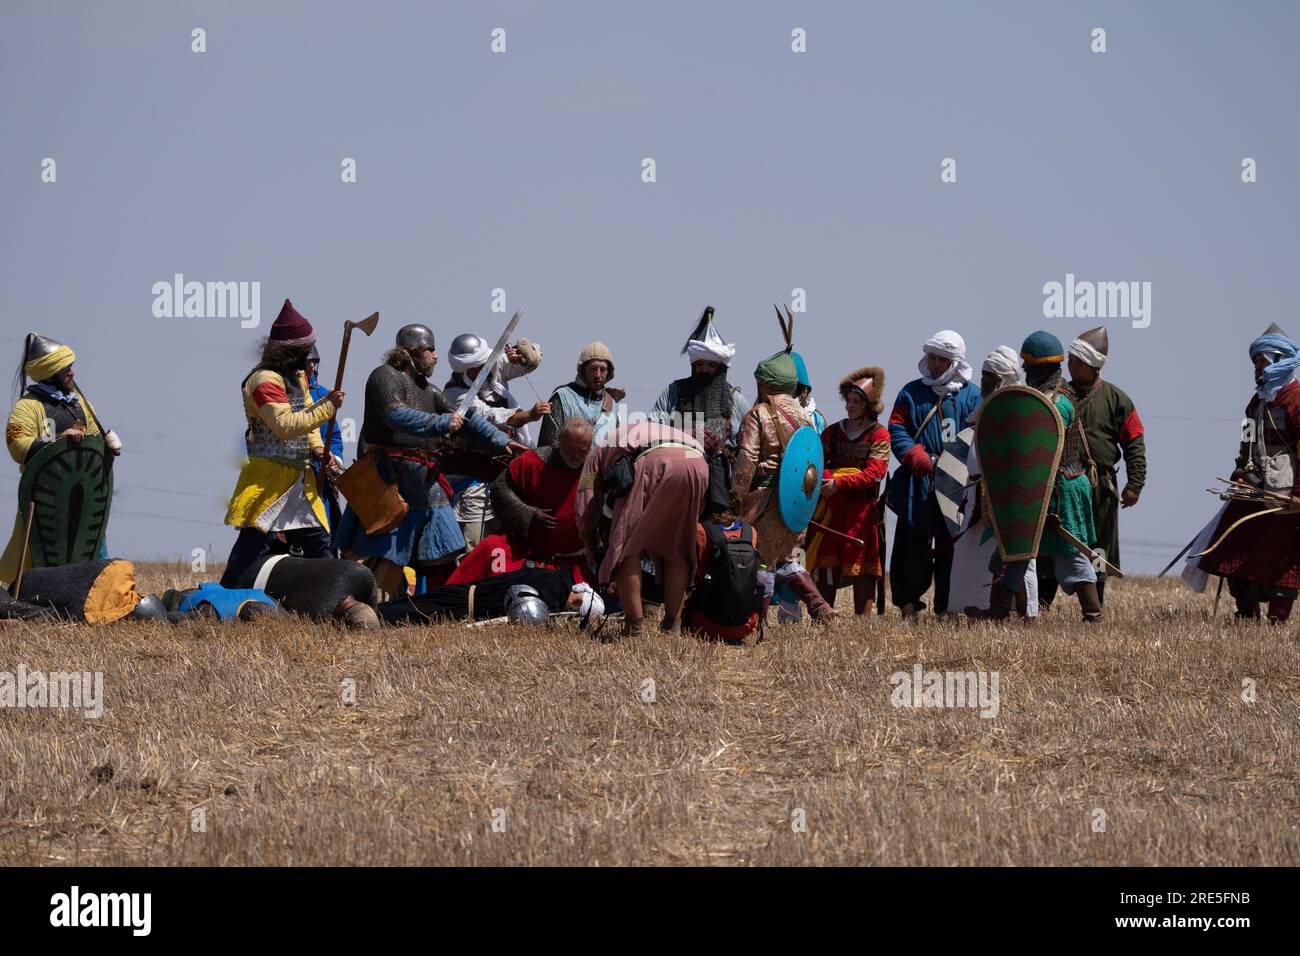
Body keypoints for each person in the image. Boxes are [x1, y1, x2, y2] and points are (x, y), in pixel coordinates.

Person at [335, 324, 524, 599]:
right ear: (412, 352)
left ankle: (441, 606)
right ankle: (371, 607)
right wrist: (440, 422)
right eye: (431, 350)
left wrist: (502, 441)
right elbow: (396, 415)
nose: (437, 356)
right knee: (384, 555)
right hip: (389, 479)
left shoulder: (430, 390)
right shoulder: (384, 376)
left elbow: (467, 424)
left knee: (446, 551)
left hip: (425, 481)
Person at [221, 300, 342, 588]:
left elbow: (307, 416)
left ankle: (331, 596)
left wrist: (317, 448)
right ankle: (222, 600)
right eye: (304, 350)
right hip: (270, 482)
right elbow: (286, 426)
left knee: (320, 547)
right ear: (289, 351)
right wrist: (329, 406)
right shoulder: (263, 380)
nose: (309, 357)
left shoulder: (297, 377)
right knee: (249, 553)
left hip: (300, 480)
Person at [984, 332, 1101, 622]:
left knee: (1070, 554)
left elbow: (1039, 445)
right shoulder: (1032, 400)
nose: (1024, 371)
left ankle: (1093, 614)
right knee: (1014, 549)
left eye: (1030, 366)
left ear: (1044, 368)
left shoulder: (1059, 404)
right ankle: (998, 612)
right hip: (1032, 490)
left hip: (1062, 489)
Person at [1195, 325, 1300, 622]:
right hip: (1253, 491)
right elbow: (1246, 442)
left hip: (1285, 498)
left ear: (1280, 360)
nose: (1257, 367)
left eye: (1262, 361)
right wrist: (1241, 471)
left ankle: (1277, 618)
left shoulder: (1296, 401)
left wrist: (1298, 495)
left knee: (1282, 558)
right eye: (1255, 362)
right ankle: (1245, 615)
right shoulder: (1255, 403)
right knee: (1235, 550)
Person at [1037, 326, 1146, 608]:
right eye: (1069, 360)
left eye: (1075, 361)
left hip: (1099, 487)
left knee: (1097, 549)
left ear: (1092, 365)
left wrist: (1135, 484)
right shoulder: (1058, 395)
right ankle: (1041, 603)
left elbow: (1135, 441)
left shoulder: (1117, 399)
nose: (1069, 366)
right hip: (1061, 484)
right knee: (1051, 542)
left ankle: (1094, 606)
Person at [2, 333, 121, 582]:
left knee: (94, 552)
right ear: (50, 371)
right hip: (45, 500)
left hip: (85, 501)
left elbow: (94, 440)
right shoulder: (28, 407)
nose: (72, 373)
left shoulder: (81, 405)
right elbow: (17, 444)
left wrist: (108, 442)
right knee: (35, 561)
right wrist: (57, 440)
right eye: (66, 368)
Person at [575, 420, 710, 638]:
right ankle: (672, 625)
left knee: (625, 546)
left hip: (654, 460)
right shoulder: (640, 432)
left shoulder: (594, 456)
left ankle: (634, 626)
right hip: (698, 463)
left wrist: (591, 544)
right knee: (677, 547)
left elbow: (585, 507)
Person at [732, 348, 835, 624]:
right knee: (785, 558)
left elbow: (747, 458)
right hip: (795, 503)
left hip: (763, 501)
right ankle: (821, 607)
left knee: (760, 560)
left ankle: (758, 619)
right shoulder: (805, 418)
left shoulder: (759, 413)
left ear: (764, 384)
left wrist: (735, 497)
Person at [886, 330, 981, 617]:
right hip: (918, 479)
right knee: (910, 545)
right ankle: (908, 603)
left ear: (954, 362)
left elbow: (980, 435)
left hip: (957, 485)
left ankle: (947, 606)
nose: (935, 364)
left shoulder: (973, 396)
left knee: (950, 546)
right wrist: (915, 455)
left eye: (942, 359)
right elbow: (897, 428)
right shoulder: (911, 392)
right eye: (933, 357)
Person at [948, 346, 1038, 618]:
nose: (985, 380)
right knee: (966, 551)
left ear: (1006, 378)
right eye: (984, 374)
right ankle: (964, 607)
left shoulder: (1020, 411)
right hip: (978, 494)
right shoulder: (984, 406)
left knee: (1021, 557)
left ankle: (1027, 612)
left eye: (991, 376)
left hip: (1009, 498)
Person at [447, 417, 594, 585]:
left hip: (572, 562)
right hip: (525, 553)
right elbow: (501, 488)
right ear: (559, 441)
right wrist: (528, 515)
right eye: (570, 449)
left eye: (582, 450)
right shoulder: (532, 462)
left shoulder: (595, 469)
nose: (575, 456)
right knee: (491, 549)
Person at [442, 332, 548, 550]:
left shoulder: (492, 367)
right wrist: (528, 415)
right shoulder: (455, 395)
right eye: (482, 364)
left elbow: (531, 362)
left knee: (507, 546)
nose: (488, 366)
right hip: (472, 483)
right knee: (474, 548)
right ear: (469, 369)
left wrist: (523, 354)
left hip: (505, 476)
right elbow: (490, 418)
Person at [803, 365, 890, 616]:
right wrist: (826, 480)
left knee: (862, 566)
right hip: (831, 509)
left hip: (862, 512)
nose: (849, 406)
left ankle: (862, 621)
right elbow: (816, 464)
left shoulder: (879, 434)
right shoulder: (832, 432)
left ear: (869, 405)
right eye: (848, 400)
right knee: (826, 563)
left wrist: (839, 482)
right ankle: (823, 617)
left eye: (856, 401)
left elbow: (875, 473)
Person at [650, 306, 751, 515]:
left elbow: (749, 449)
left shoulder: (737, 401)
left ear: (721, 367)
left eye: (711, 365)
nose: (704, 369)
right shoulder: (674, 392)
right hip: (679, 481)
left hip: (721, 487)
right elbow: (652, 429)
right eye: (700, 364)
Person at [377, 565, 602, 624]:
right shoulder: (551, 586)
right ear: (579, 600)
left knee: (410, 611)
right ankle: (363, 615)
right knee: (405, 613)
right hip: (463, 603)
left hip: (466, 603)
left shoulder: (554, 581)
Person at [538, 342, 624, 447]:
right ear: (583, 370)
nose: (598, 375)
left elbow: (616, 451)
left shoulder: (613, 406)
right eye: (593, 368)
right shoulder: (562, 397)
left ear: (609, 372)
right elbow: (548, 446)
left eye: (603, 369)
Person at [306, 343, 346, 542]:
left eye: (314, 361)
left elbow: (336, 437)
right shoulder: (285, 394)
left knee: (326, 534)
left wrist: (333, 458)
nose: (311, 366)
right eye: (307, 361)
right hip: (295, 475)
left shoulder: (323, 394)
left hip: (321, 477)